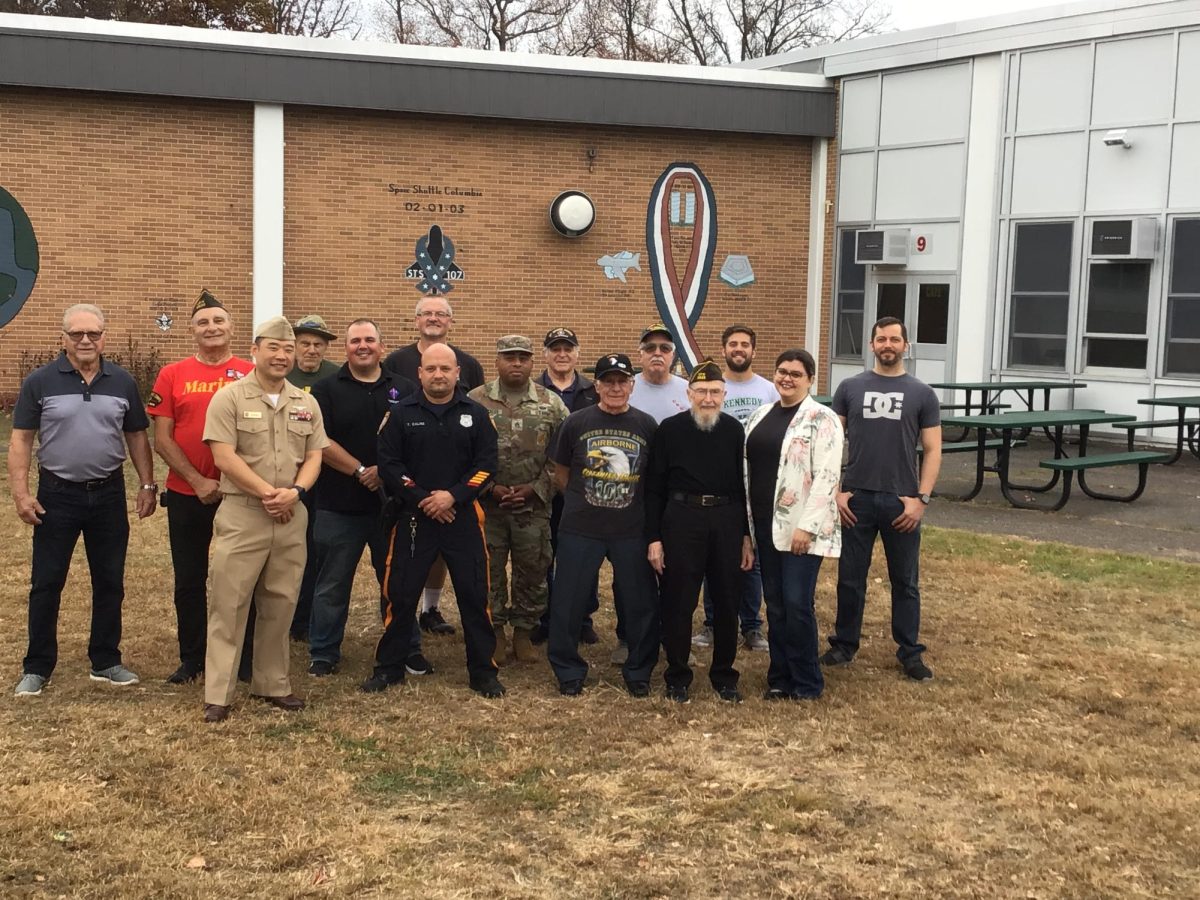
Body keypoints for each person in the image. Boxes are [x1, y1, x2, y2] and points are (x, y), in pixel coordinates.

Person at [10, 304, 158, 697]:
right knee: (47, 582)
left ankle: (106, 660)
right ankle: (37, 666)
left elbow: (138, 437)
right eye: (77, 334)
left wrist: (147, 485)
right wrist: (21, 493)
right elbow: (22, 439)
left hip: (108, 494)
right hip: (55, 496)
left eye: (93, 333)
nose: (86, 340)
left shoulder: (122, 381)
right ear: (64, 339)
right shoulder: (40, 381)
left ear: (104, 336)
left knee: (109, 581)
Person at [201, 316, 328, 722]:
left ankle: (272, 683)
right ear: (255, 351)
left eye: (287, 349)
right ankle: (218, 693)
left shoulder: (305, 403)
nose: (282, 355)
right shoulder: (230, 398)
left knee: (281, 601)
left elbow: (314, 456)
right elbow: (223, 456)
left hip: (291, 515)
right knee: (229, 602)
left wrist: (297, 492)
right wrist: (267, 493)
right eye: (273, 347)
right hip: (243, 513)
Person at [366, 343, 504, 698]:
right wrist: (424, 497)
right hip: (415, 516)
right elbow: (391, 465)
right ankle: (389, 668)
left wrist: (453, 495)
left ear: (458, 372)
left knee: (474, 595)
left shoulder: (476, 413)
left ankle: (483, 672)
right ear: (420, 373)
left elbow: (487, 465)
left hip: (463, 516)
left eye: (445, 369)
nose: (438, 375)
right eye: (431, 369)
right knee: (401, 594)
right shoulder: (400, 414)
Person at [825, 317, 942, 682]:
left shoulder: (923, 394)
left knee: (905, 581)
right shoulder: (849, 387)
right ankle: (844, 645)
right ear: (871, 345)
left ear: (906, 345)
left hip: (901, 501)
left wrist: (920, 499)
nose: (887, 344)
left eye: (894, 339)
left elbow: (934, 449)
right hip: (856, 499)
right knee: (849, 578)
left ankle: (910, 652)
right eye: (881, 339)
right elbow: (829, 444)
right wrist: (836, 492)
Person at [307, 319, 426, 677]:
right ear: (345, 348)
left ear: (381, 346)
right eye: (355, 340)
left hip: (393, 506)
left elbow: (416, 442)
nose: (363, 345)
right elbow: (319, 441)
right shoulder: (325, 389)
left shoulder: (405, 388)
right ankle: (324, 652)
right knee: (331, 583)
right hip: (337, 504)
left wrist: (385, 472)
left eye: (370, 340)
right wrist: (361, 470)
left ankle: (407, 647)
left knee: (397, 582)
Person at [147, 290, 254, 685]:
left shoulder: (250, 373)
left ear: (231, 327)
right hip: (187, 494)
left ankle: (243, 658)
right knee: (189, 579)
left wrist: (231, 481)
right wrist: (197, 479)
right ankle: (193, 657)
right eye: (203, 323)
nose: (211, 328)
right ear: (192, 331)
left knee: (242, 578)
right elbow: (163, 438)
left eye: (218, 321)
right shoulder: (173, 374)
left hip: (240, 495)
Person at [547, 353, 659, 698]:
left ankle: (638, 671)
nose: (615, 388)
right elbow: (561, 472)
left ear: (632, 385)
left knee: (640, 602)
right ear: (596, 385)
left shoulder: (647, 425)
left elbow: (653, 479)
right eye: (608, 381)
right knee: (569, 602)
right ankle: (568, 670)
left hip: (631, 528)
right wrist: (586, 498)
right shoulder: (576, 422)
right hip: (581, 526)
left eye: (621, 381)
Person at [645, 360, 753, 703]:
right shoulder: (669, 430)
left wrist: (746, 536)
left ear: (724, 395)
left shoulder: (736, 432)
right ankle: (677, 675)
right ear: (689, 394)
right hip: (681, 518)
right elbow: (654, 488)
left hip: (726, 519)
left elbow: (744, 487)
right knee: (678, 601)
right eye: (702, 392)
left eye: (715, 392)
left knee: (726, 600)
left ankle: (724, 675)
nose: (708, 399)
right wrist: (654, 538)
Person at [383, 295, 485, 636]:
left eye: (441, 314)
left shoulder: (469, 364)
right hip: (412, 497)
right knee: (401, 575)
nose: (433, 318)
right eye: (426, 313)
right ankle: (400, 641)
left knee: (467, 583)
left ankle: (432, 610)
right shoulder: (396, 361)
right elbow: (391, 453)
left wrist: (452, 496)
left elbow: (485, 458)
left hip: (458, 500)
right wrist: (424, 497)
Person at [745, 349, 844, 700]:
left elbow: (828, 476)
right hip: (763, 525)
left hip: (800, 530)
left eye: (796, 374)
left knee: (797, 603)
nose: (787, 378)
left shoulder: (823, 418)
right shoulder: (760, 414)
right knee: (774, 603)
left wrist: (808, 525)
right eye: (782, 371)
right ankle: (779, 676)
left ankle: (807, 681)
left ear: (810, 379)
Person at [469, 335, 568, 664]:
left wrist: (537, 488)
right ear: (496, 361)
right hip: (487, 507)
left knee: (533, 570)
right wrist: (489, 487)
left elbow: (564, 456)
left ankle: (524, 634)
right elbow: (463, 453)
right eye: (509, 357)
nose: (516, 363)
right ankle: (495, 633)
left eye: (522, 358)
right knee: (488, 571)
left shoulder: (551, 403)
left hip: (533, 507)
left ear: (531, 362)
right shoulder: (475, 401)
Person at [694, 324, 779, 653]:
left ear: (754, 351)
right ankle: (712, 623)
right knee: (712, 556)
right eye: (733, 344)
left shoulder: (768, 390)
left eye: (745, 344)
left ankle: (752, 626)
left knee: (751, 557)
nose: (739, 349)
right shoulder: (712, 386)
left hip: (755, 482)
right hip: (718, 480)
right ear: (725, 349)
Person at [530, 326, 600, 647]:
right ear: (545, 354)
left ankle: (583, 618)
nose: (561, 354)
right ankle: (544, 617)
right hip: (544, 489)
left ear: (577, 353)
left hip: (584, 489)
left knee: (584, 555)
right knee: (545, 554)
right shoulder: (533, 391)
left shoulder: (593, 392)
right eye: (555, 349)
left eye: (567, 348)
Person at [286, 314, 340, 643]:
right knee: (289, 551)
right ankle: (289, 616)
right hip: (285, 476)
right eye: (304, 343)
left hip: (325, 475)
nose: (311, 350)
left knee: (318, 550)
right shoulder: (280, 373)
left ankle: (307, 620)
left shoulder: (335, 376)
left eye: (318, 345)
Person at [629, 323, 689, 424]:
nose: (657, 353)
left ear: (672, 356)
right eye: (650, 348)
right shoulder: (625, 389)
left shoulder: (688, 390)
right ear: (640, 355)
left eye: (665, 348)